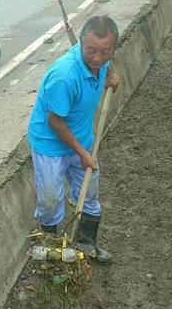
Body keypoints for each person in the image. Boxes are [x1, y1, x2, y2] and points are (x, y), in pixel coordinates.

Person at [27, 16, 120, 264]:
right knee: (50, 199)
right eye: (91, 51)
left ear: (113, 50)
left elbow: (103, 64)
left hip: (82, 139)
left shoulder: (100, 62)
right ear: (80, 45)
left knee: (89, 193)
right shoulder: (64, 76)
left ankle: (86, 245)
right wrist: (82, 153)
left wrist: (111, 75)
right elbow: (55, 122)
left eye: (105, 52)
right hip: (51, 143)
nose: (98, 58)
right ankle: (51, 249)